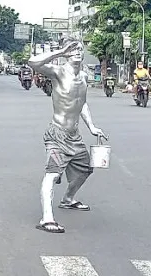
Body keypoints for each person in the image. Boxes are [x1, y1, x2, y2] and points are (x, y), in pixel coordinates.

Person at [28, 37, 108, 233]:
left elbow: (82, 103)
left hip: (75, 136)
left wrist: (92, 127)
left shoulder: (84, 77)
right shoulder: (58, 72)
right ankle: (47, 218)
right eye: (73, 49)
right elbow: (32, 62)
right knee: (52, 174)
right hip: (57, 134)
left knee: (86, 170)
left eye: (79, 48)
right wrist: (61, 52)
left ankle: (68, 199)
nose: (77, 52)